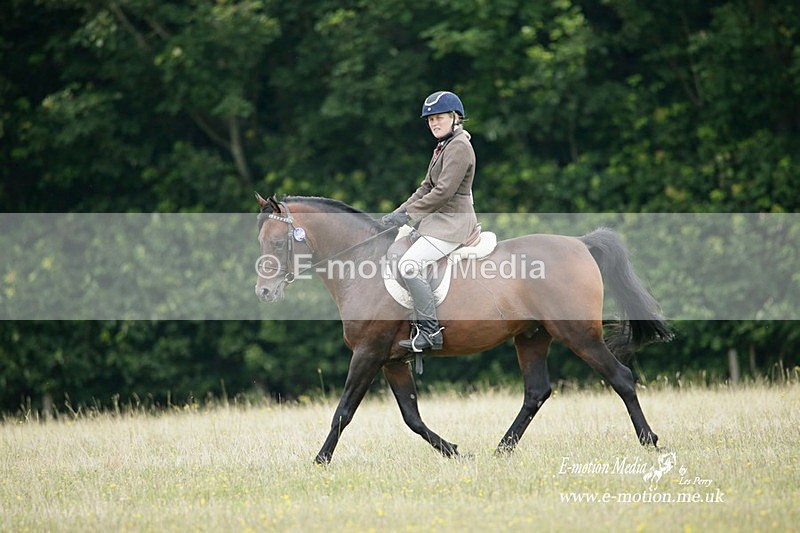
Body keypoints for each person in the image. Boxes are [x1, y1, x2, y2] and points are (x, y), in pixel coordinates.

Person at [381, 90, 479, 352]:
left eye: (439, 118)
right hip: (437, 222)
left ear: (455, 118)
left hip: (453, 225)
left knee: (410, 265)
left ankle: (430, 331)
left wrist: (410, 215)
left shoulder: (459, 147)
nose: (434, 123)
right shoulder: (444, 146)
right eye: (430, 120)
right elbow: (425, 187)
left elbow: (443, 191)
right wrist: (398, 213)